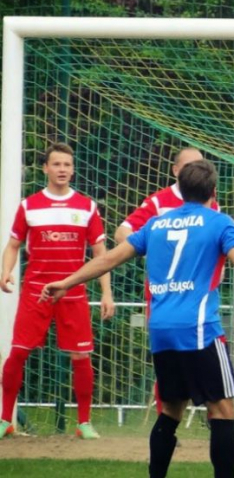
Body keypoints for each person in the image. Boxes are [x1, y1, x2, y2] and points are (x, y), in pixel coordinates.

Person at [41, 160, 234, 478]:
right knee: (222, 409)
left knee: (171, 409)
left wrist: (66, 282)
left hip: (161, 330)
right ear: (213, 191)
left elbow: (109, 258)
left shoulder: (156, 225)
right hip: (199, 329)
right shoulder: (221, 223)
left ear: (182, 190)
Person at [0, 142, 115, 440]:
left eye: (67, 164)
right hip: (36, 292)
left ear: (73, 170)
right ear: (45, 168)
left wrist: (106, 293)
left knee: (81, 356)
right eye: (56, 164)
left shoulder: (87, 207)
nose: (62, 169)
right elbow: (13, 245)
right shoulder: (29, 205)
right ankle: (5, 420)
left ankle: (84, 423)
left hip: (73, 293)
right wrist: (6, 270)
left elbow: (101, 254)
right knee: (18, 352)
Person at [115, 146, 218, 416]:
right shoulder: (158, 202)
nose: (196, 170)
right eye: (189, 166)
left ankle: (215, 414)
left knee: (211, 356)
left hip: (200, 297)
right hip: (164, 297)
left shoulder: (210, 201)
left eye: (200, 164)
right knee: (169, 365)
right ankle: (169, 422)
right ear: (175, 171)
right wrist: (151, 250)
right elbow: (122, 232)